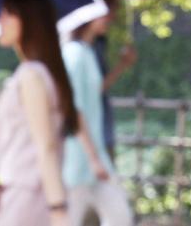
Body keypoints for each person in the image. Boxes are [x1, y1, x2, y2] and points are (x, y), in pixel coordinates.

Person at [0, 0, 107, 226]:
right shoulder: (41, 72)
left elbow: (45, 144)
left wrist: (58, 210)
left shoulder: (32, 74)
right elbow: (31, 124)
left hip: (27, 193)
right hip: (24, 191)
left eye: (7, 13)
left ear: (27, 20)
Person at [62, 12, 134, 226]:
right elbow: (73, 108)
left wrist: (122, 65)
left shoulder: (87, 52)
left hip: (94, 154)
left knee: (119, 215)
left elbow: (95, 90)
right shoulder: (73, 54)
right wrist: (93, 157)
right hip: (78, 157)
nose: (109, 19)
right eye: (102, 15)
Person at [94, 0, 138, 159]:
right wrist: (123, 65)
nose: (112, 18)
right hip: (94, 126)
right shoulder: (81, 50)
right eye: (110, 12)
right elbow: (96, 88)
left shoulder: (98, 43)